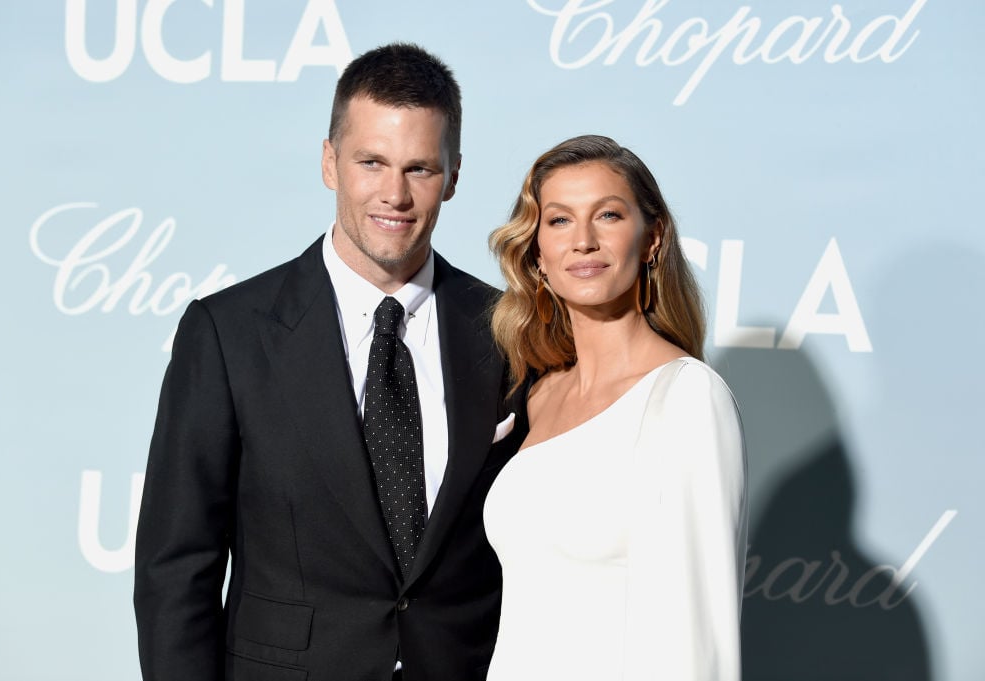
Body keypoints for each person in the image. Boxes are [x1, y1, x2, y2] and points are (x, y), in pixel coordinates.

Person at [134, 43, 525, 681]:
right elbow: (176, 568)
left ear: (453, 176)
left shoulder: (509, 333)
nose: (394, 194)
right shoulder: (229, 333)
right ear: (329, 162)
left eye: (420, 168)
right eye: (371, 162)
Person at [484, 135, 747, 680]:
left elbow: (698, 645)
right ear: (536, 254)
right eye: (558, 221)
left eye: (607, 215)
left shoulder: (687, 399)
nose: (583, 241)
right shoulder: (533, 394)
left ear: (652, 239)